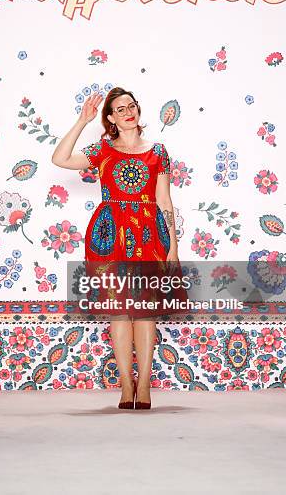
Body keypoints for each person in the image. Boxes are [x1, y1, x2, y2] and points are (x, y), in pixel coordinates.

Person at [51, 87, 188, 410]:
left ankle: (144, 387)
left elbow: (164, 200)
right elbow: (60, 158)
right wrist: (83, 121)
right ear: (111, 118)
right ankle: (126, 386)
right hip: (109, 234)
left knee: (145, 312)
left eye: (131, 106)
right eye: (120, 109)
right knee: (118, 311)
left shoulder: (159, 152)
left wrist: (173, 247)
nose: (128, 111)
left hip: (148, 235)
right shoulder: (102, 150)